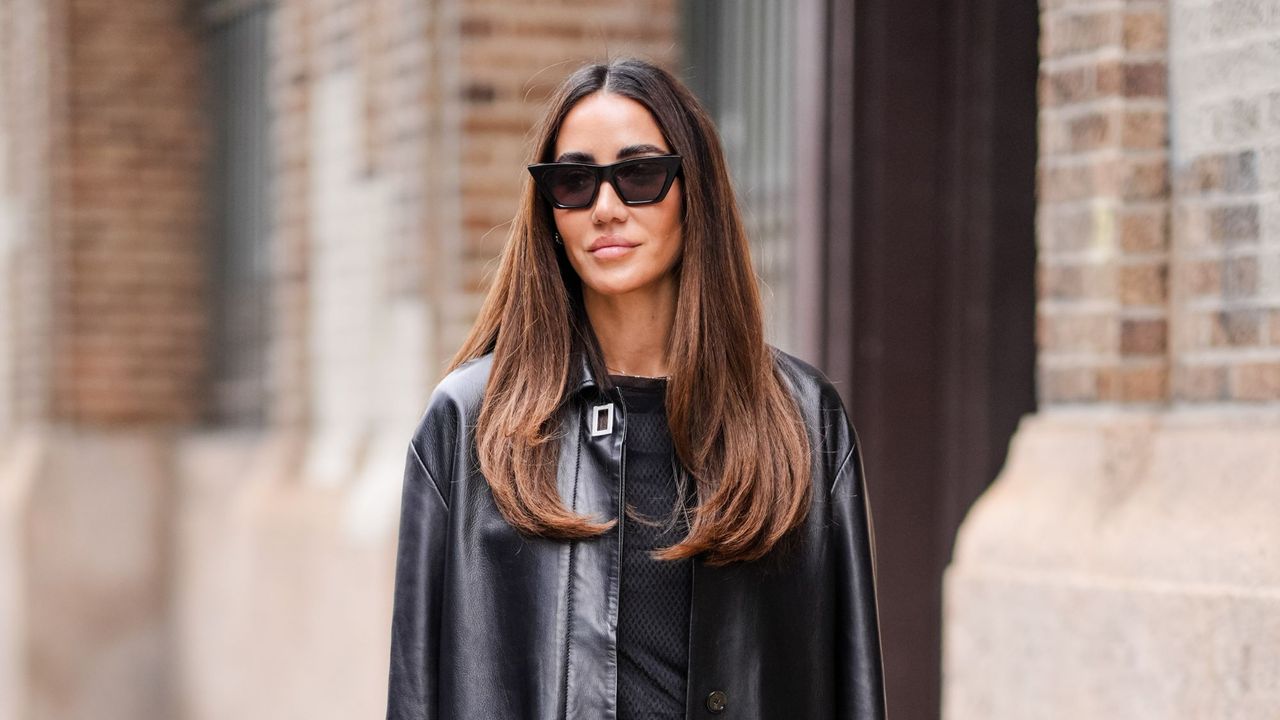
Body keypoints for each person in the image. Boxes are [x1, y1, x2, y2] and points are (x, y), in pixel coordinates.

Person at [386, 57, 885, 720]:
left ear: (693, 190)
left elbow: (849, 686)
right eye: (574, 183)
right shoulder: (471, 422)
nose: (605, 208)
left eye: (640, 174)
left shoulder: (801, 418)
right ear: (550, 210)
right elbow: (417, 692)